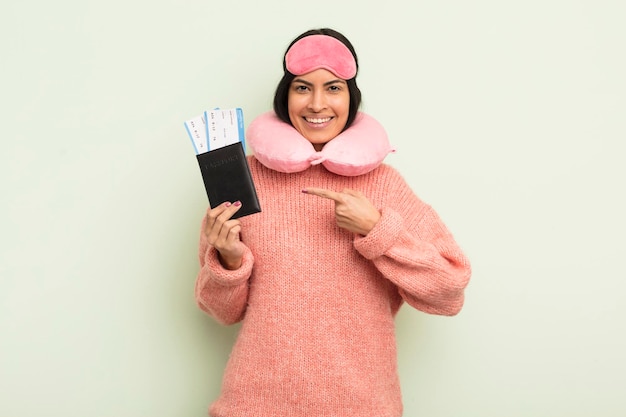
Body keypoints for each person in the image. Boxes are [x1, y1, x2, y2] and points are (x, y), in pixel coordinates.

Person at [195, 27, 471, 417]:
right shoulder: (244, 179)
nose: (317, 103)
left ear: (351, 98)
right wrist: (228, 261)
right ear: (285, 97)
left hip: (362, 407)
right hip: (254, 405)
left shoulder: (385, 185)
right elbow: (220, 313)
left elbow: (448, 292)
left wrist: (378, 230)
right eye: (303, 88)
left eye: (334, 88)